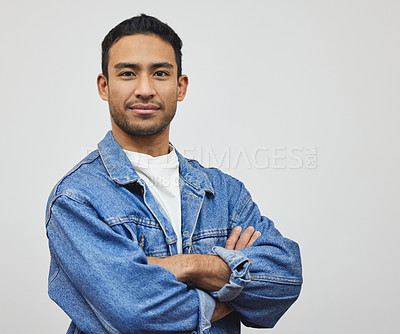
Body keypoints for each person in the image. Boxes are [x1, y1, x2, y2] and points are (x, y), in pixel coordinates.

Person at [45, 14, 302, 334]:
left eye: (160, 73)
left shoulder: (224, 192)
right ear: (104, 86)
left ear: (180, 87)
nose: (144, 89)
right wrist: (231, 288)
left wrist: (187, 265)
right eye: (127, 73)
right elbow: (138, 312)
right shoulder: (77, 198)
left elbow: (284, 280)